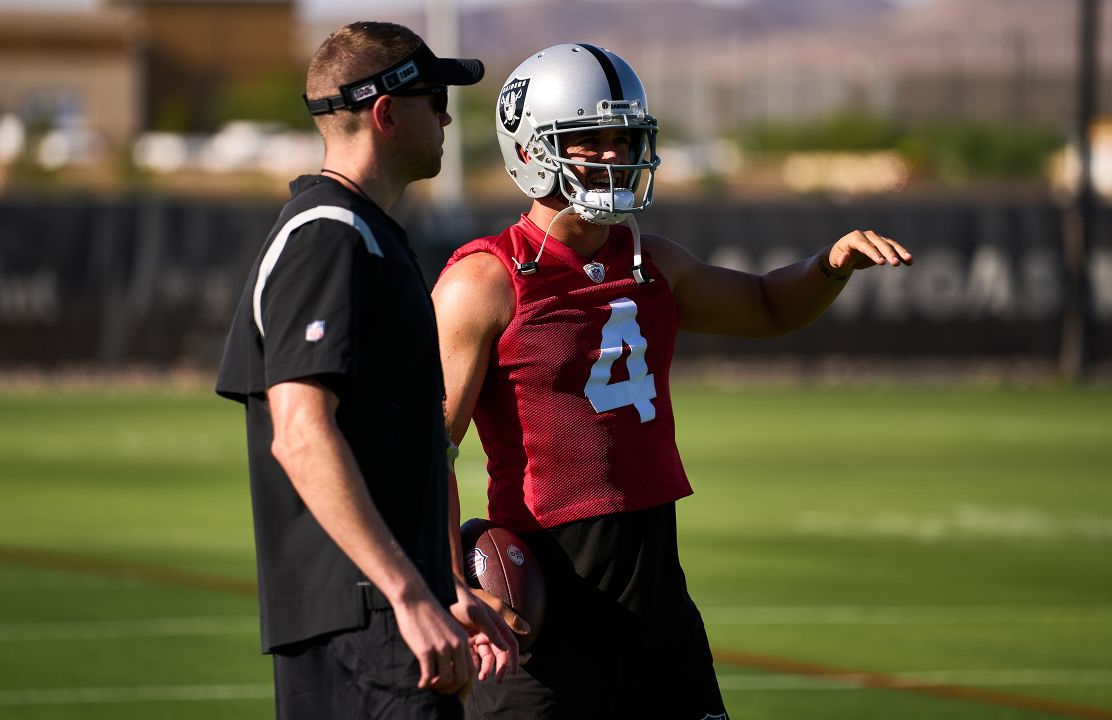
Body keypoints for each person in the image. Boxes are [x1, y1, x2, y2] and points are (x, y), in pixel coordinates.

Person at [432, 44, 913, 719]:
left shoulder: (652, 259)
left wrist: (827, 266)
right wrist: (450, 580)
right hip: (546, 594)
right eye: (588, 140)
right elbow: (427, 447)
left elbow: (768, 306)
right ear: (531, 150)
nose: (612, 155)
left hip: (656, 592)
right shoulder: (484, 281)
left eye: (621, 138)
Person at [216, 21, 517, 719]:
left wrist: (440, 585)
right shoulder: (328, 236)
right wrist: (407, 595)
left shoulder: (364, 234)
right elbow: (299, 433)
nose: (447, 115)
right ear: (385, 112)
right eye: (434, 98)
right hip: (365, 624)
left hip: (381, 617)